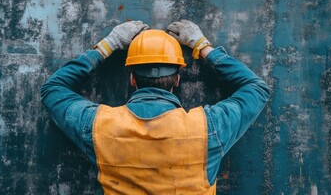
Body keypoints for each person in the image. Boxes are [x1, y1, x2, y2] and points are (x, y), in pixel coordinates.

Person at [41, 19, 270, 194]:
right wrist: (203, 46)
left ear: (132, 78)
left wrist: (107, 45)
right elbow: (256, 89)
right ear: (178, 78)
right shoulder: (209, 127)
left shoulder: (98, 126)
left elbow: (53, 90)